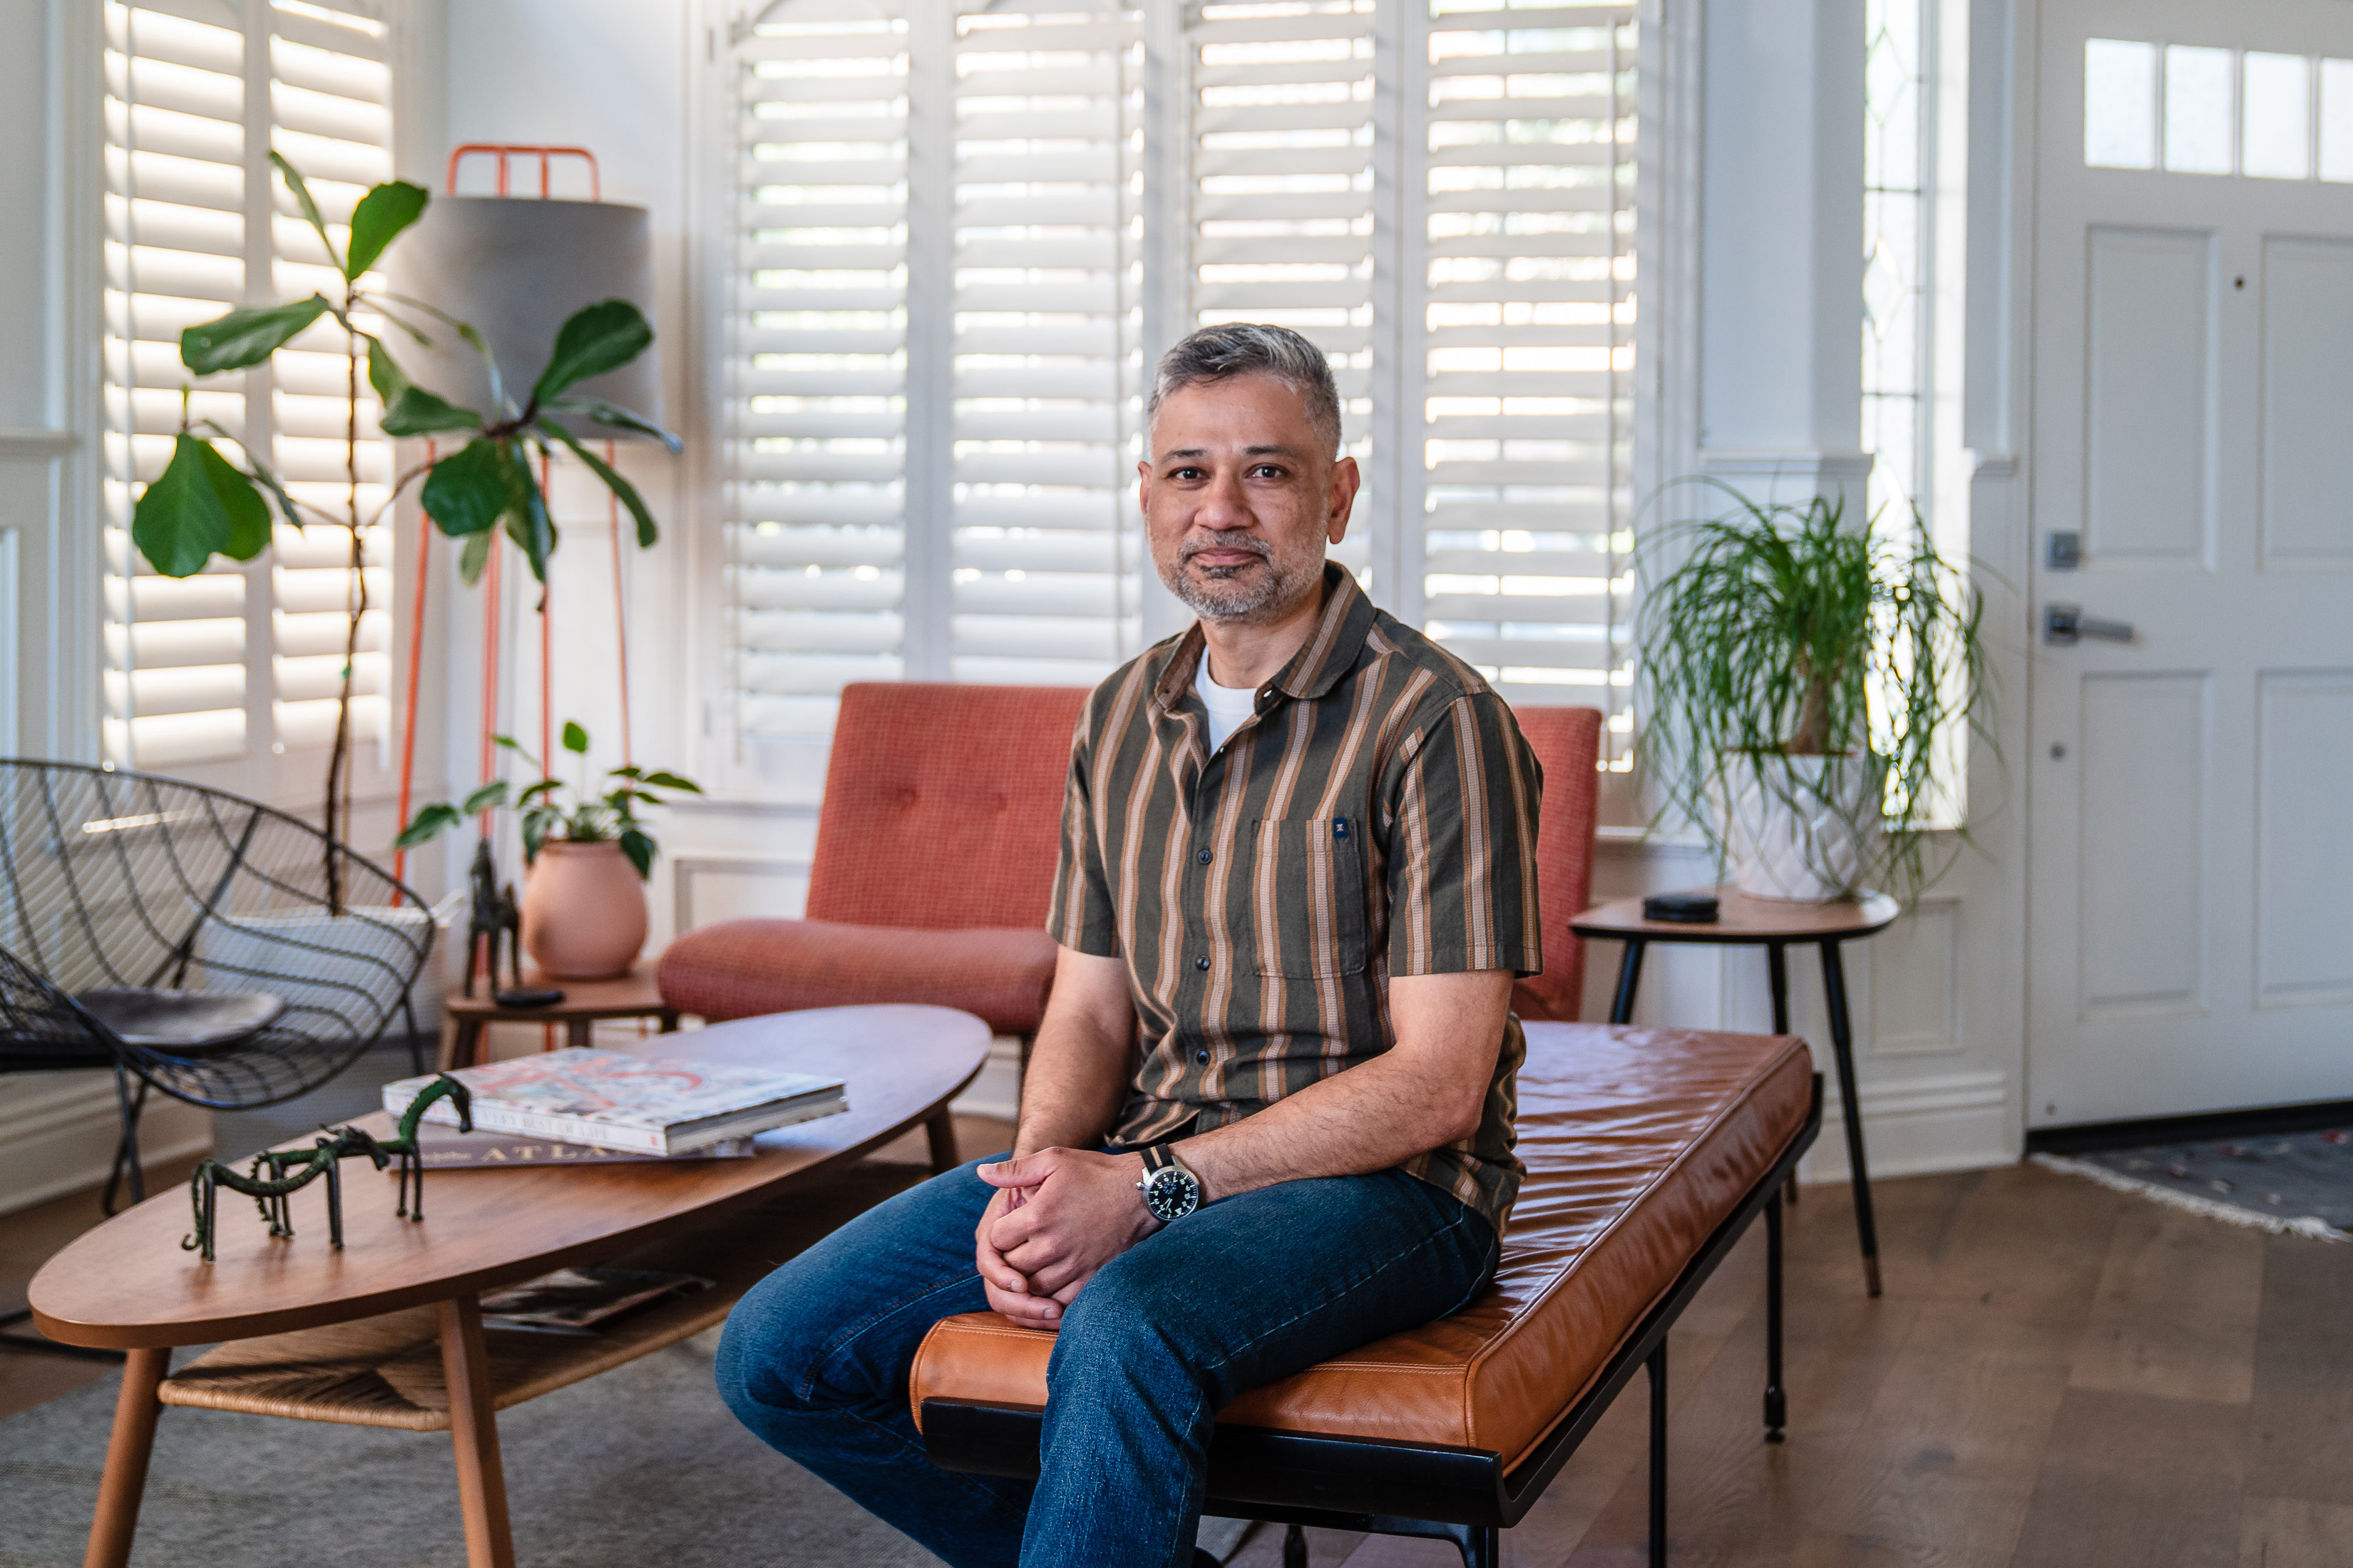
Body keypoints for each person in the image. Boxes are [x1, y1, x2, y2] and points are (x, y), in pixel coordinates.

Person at [715, 322, 1544, 1568]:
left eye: (1265, 469)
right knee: (777, 1354)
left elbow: (1440, 1084)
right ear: (1146, 495)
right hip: (1145, 1151)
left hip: (1396, 1193)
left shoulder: (1438, 722)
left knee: (1123, 1324)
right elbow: (1091, 1011)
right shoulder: (1120, 716)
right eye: (1185, 471)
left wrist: (1153, 1192)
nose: (1221, 506)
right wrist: (1033, 1186)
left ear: (1339, 491)